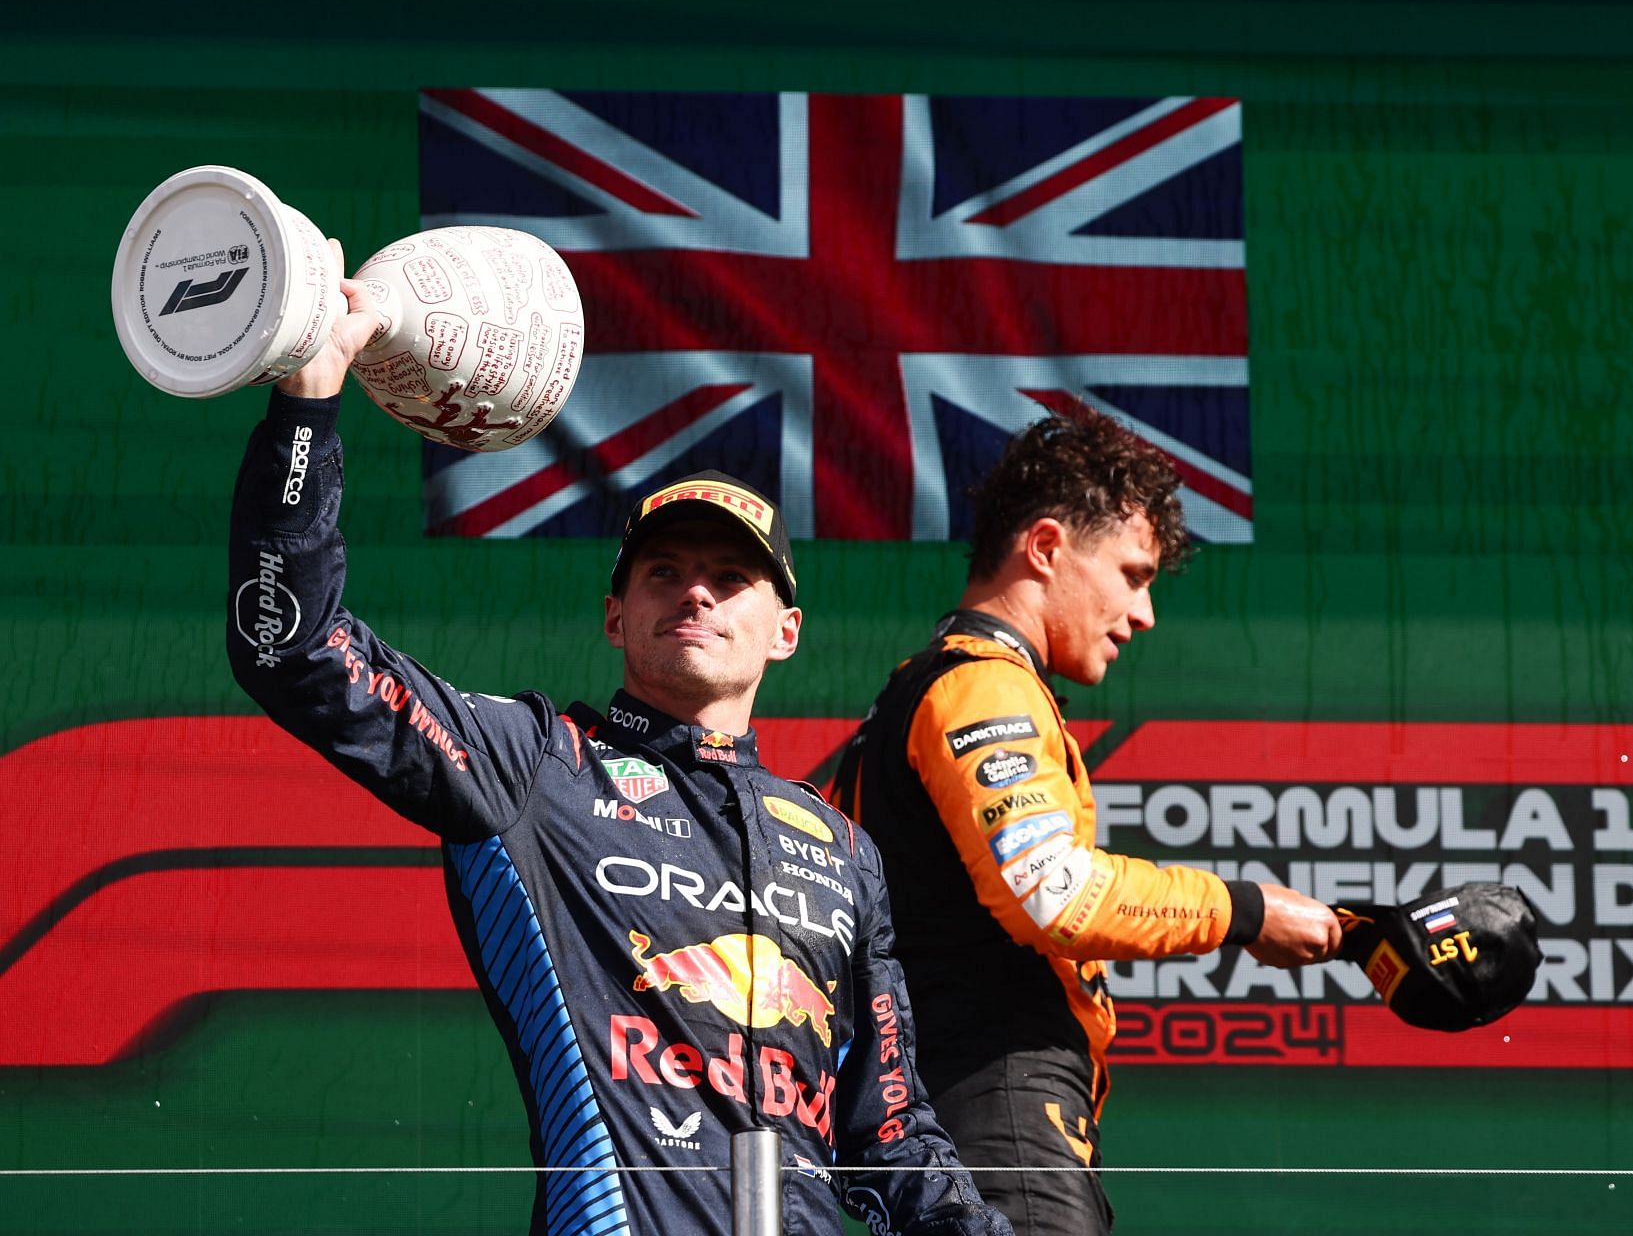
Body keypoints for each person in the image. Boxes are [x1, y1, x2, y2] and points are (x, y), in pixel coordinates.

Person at [227, 246, 1012, 1236]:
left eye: (730, 578)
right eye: (664, 572)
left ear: (787, 630)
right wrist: (309, 406)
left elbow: (890, 1137)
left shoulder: (842, 847)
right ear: (614, 615)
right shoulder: (535, 763)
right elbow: (292, 645)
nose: (695, 591)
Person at [831, 413, 1343, 1236]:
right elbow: (1053, 893)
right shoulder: (982, 687)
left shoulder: (918, 687)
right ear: (1045, 547)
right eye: (1133, 575)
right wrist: (1244, 910)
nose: (1143, 614)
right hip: (994, 1114)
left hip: (952, 1118)